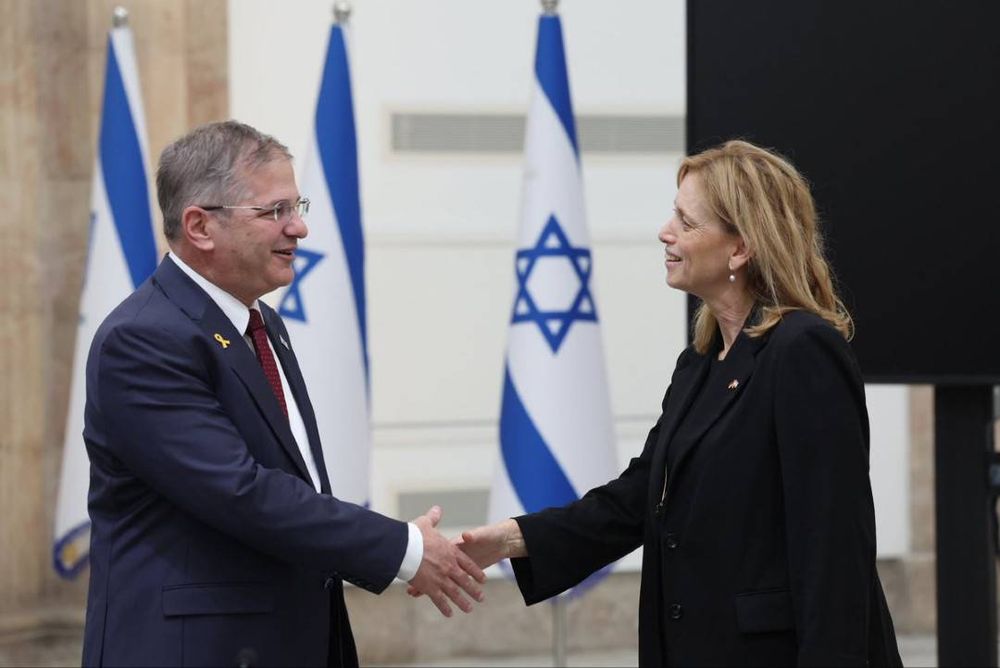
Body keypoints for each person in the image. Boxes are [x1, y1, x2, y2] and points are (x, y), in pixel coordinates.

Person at [457, 140, 902, 666]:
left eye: (687, 223)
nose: (666, 232)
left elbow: (833, 554)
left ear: (740, 249)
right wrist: (510, 540)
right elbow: (636, 498)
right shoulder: (700, 364)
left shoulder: (802, 351)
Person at [81, 120, 485, 667]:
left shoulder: (264, 325)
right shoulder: (145, 339)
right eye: (275, 212)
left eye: (299, 207)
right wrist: (402, 548)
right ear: (200, 226)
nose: (298, 229)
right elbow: (241, 491)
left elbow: (296, 486)